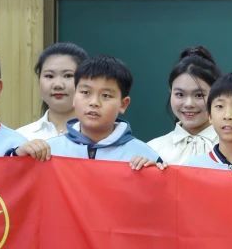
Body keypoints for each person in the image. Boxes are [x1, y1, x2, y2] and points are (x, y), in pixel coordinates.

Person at [22, 55, 158, 167]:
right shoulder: (49, 152)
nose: (94, 102)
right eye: (85, 92)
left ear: (123, 104)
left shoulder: (142, 155)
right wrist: (18, 155)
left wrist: (154, 173)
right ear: (74, 97)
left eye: (106, 95)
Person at [148, 46, 220, 165]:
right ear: (170, 92)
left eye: (199, 95)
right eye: (180, 94)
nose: (188, 104)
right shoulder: (152, 150)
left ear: (216, 94)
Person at [16, 42, 87, 140]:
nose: (58, 85)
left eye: (68, 75)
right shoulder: (21, 137)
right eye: (49, 76)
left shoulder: (100, 136)